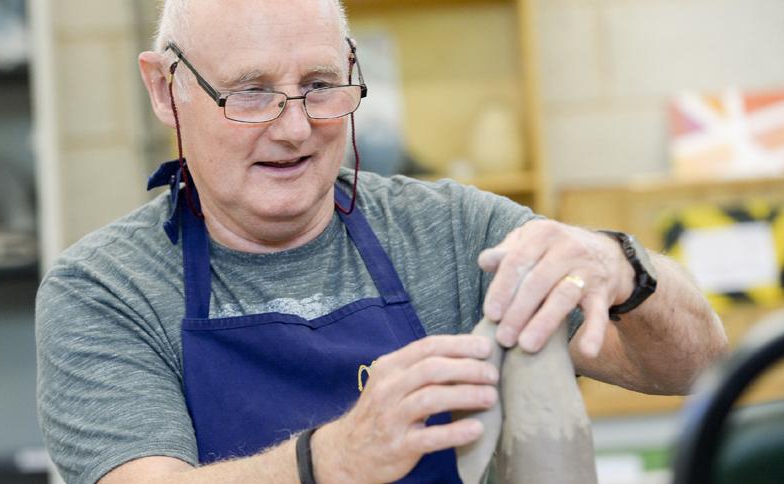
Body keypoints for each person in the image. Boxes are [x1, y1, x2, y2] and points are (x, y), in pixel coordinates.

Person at [35, 0, 728, 482]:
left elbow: (695, 368)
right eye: (250, 92)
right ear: (165, 88)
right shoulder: (103, 289)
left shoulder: (456, 234)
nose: (295, 127)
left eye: (319, 85)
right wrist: (333, 461)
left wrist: (626, 269)